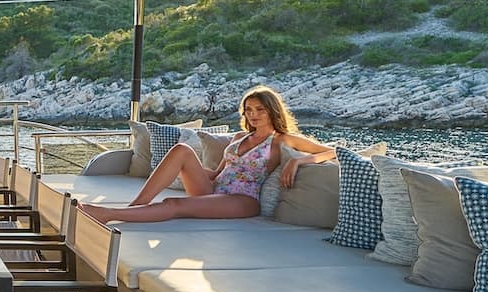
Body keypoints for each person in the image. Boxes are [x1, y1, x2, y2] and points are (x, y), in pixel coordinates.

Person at [81, 87, 334, 223]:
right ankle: (136, 206)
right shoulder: (238, 138)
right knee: (182, 149)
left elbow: (332, 151)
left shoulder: (281, 139)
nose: (254, 115)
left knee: (174, 204)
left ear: (272, 111)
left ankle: (109, 215)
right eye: (249, 110)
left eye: (260, 109)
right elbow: (219, 173)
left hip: (242, 199)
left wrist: (300, 160)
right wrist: (184, 169)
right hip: (215, 188)